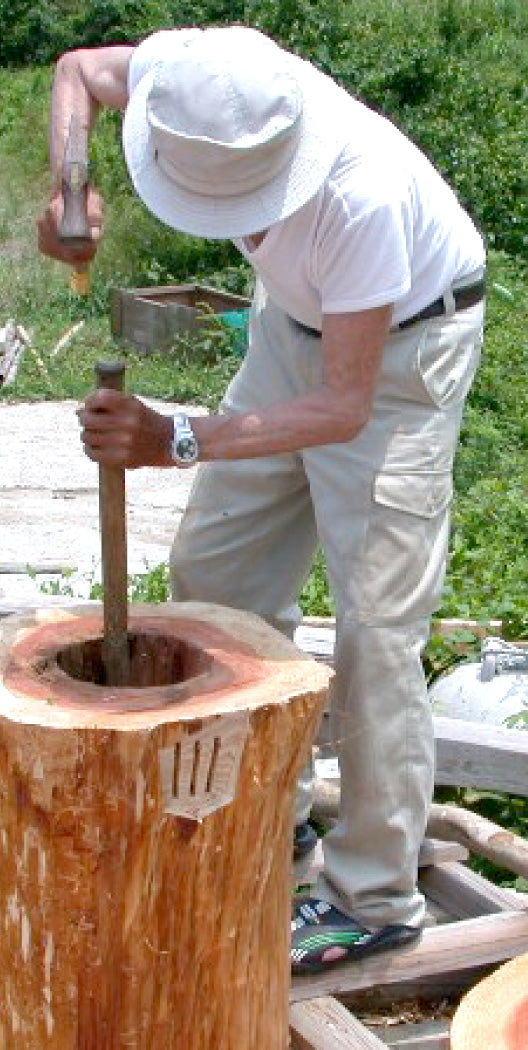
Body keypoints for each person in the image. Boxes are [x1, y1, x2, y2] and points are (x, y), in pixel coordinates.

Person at [38, 25, 485, 973]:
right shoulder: (196, 76)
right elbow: (76, 70)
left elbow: (344, 403)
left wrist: (178, 439)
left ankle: (373, 894)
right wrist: (69, 186)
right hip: (292, 329)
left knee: (377, 630)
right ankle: (271, 815)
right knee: (215, 575)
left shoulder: (360, 196)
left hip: (400, 357)